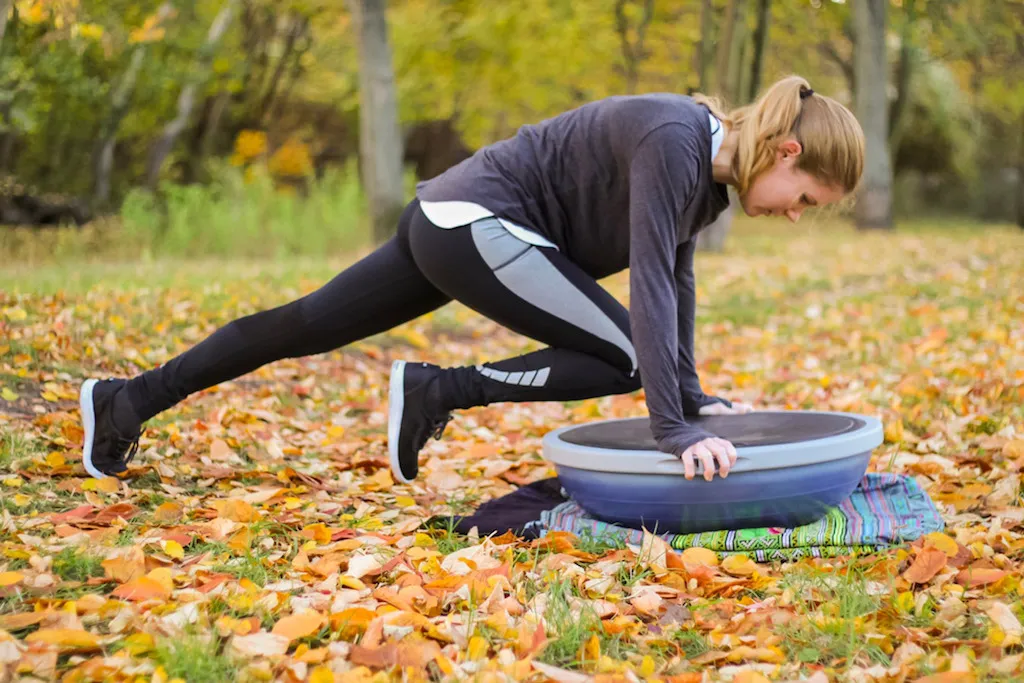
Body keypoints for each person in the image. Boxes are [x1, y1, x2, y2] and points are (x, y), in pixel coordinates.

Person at [78, 75, 864, 486]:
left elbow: (678, 284)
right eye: (805, 202)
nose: (795, 216)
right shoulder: (677, 139)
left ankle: (127, 399)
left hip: (452, 224)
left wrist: (691, 395)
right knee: (625, 355)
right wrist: (674, 428)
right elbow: (650, 287)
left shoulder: (709, 180)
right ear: (788, 153)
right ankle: (437, 390)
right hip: (474, 227)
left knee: (302, 324)